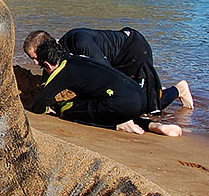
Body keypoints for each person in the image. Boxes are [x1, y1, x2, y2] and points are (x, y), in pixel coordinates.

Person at [23, 28, 193, 113]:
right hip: (116, 58)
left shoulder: (78, 41)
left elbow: (107, 74)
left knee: (148, 107)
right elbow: (46, 85)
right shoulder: (54, 59)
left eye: (36, 57)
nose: (37, 63)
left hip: (133, 51)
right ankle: (155, 90)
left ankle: (178, 89)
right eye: (33, 60)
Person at [31, 40, 182, 136]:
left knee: (65, 109)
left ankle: (118, 125)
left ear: (48, 65)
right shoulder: (75, 58)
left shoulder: (61, 72)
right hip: (139, 96)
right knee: (107, 104)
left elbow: (38, 106)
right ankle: (152, 125)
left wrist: (49, 109)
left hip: (124, 104)